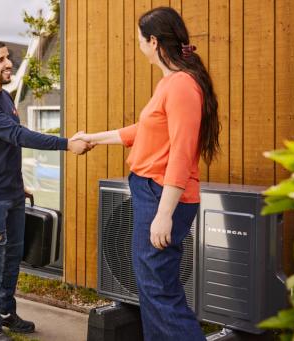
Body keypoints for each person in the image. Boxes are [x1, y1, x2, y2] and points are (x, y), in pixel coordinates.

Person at [72, 7, 220, 341]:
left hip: (161, 195)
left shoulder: (181, 85)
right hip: (151, 192)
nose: (138, 46)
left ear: (154, 42)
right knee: (152, 287)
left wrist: (164, 214)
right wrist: (93, 138)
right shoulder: (170, 83)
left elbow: (182, 152)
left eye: (139, 40)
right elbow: (145, 130)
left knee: (159, 290)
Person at [0, 40, 92, 341]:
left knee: (11, 257)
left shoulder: (4, 97)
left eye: (8, 57)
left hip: (11, 192)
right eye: (0, 60)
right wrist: (67, 144)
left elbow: (3, 148)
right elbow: (17, 135)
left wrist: (19, 183)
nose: (9, 63)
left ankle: (6, 312)